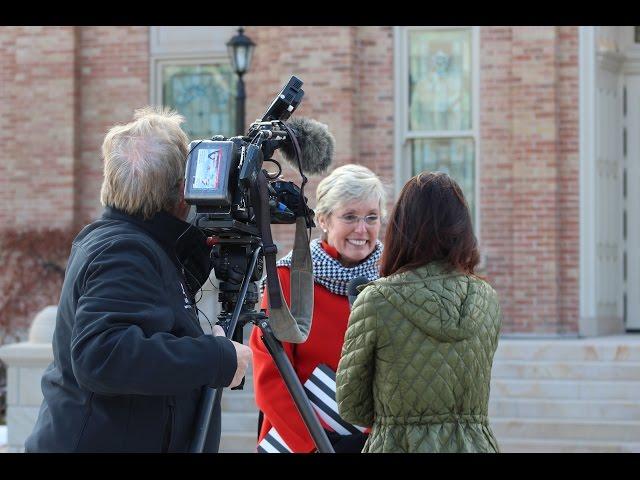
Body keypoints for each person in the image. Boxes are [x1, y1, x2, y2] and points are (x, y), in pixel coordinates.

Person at [25, 107, 251, 452]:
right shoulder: (123, 250)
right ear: (181, 191)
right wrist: (214, 358)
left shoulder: (136, 244)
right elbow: (102, 355)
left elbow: (154, 310)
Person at [336, 171, 502, 453]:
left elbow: (351, 404)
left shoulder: (377, 299)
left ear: (402, 227)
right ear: (463, 228)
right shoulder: (486, 297)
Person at [249, 164, 387, 453]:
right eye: (349, 217)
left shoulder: (394, 279)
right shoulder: (288, 278)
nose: (362, 229)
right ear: (323, 219)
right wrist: (316, 445)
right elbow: (270, 374)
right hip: (301, 440)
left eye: (371, 217)